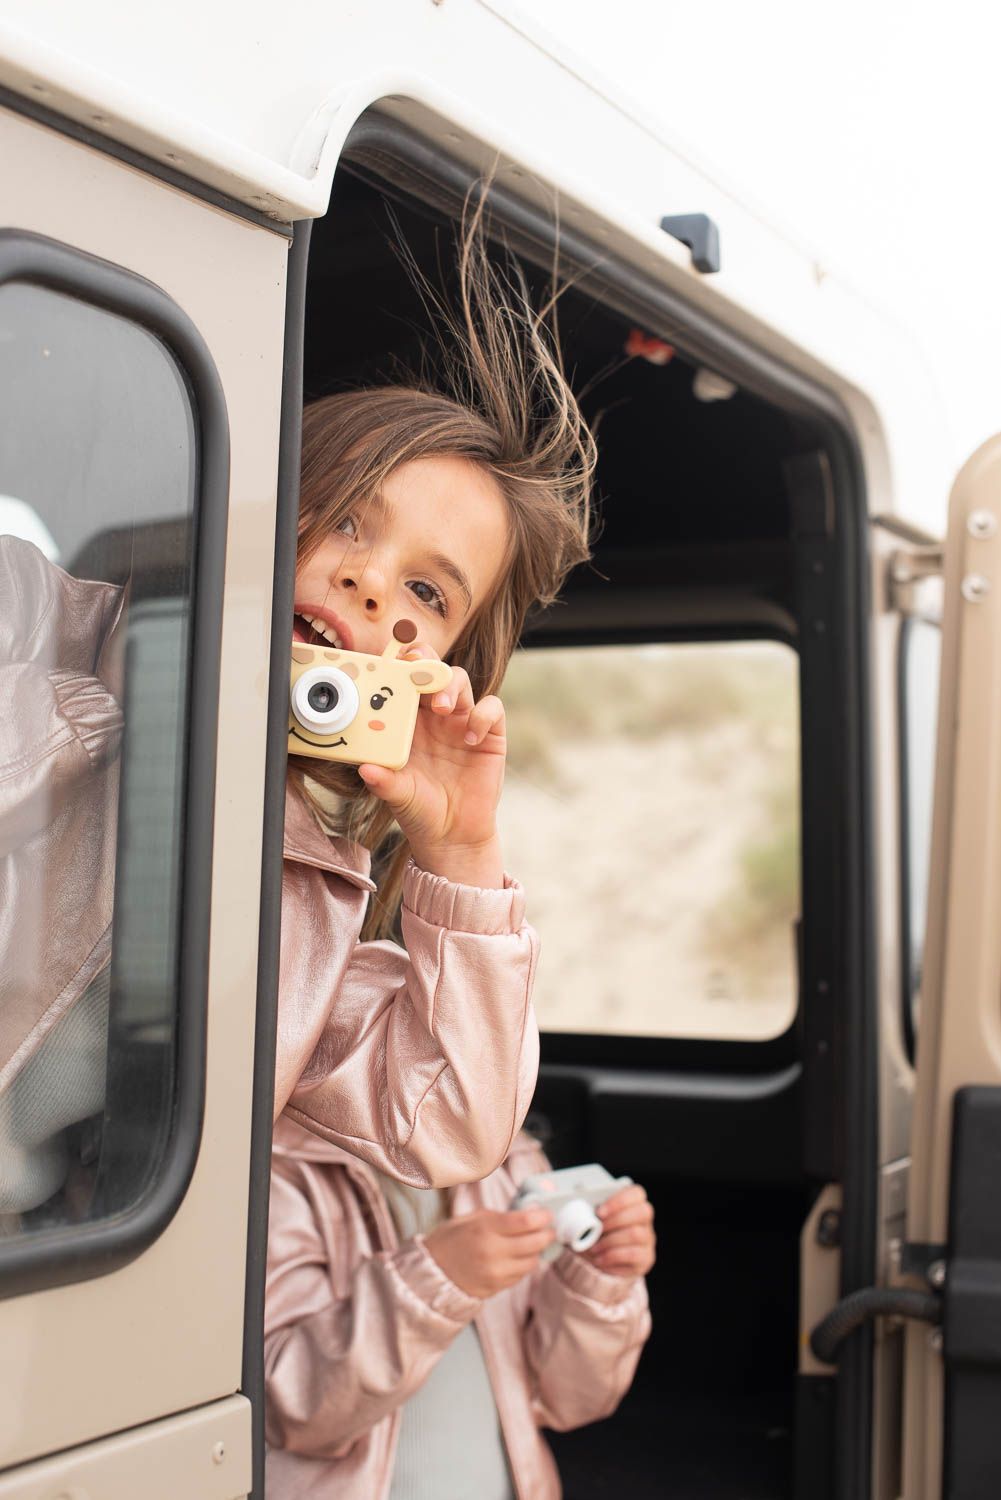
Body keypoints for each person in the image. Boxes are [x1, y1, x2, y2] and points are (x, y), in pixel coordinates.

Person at [271, 195, 596, 1188]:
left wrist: (458, 849)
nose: (370, 582)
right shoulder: (41, 624)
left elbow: (446, 1127)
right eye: (346, 522)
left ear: (432, 676)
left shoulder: (312, 903)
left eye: (424, 591)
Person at [264, 1117, 654, 1498]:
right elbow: (290, 1409)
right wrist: (436, 1282)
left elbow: (571, 1401)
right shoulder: (279, 1164)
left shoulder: (509, 1156)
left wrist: (595, 1281)